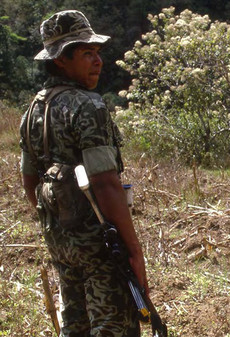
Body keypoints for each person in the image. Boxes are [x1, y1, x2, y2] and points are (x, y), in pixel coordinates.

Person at [20, 10, 147, 336]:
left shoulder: (34, 108)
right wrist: (134, 250)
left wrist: (59, 221)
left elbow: (30, 179)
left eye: (97, 53)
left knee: (74, 325)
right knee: (113, 326)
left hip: (61, 242)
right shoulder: (88, 106)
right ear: (61, 60)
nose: (97, 61)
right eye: (86, 53)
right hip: (100, 246)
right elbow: (106, 183)